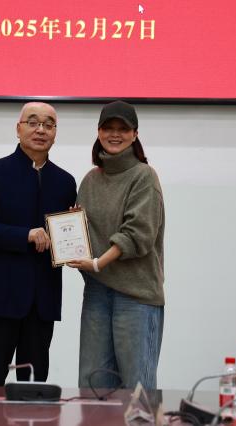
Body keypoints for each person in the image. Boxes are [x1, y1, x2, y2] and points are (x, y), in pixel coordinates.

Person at [0, 102, 76, 386]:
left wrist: (75, 241)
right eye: (33, 122)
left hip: (42, 303)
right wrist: (25, 235)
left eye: (48, 124)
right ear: (18, 128)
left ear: (55, 133)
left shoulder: (65, 182)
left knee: (34, 390)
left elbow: (66, 237)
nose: (41, 130)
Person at [67, 100, 164, 390]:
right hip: (97, 292)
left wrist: (98, 263)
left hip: (136, 296)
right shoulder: (90, 180)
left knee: (137, 390)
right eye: (108, 128)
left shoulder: (144, 176)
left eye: (123, 129)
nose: (115, 134)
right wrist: (71, 236)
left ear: (135, 135)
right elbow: (84, 233)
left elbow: (137, 234)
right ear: (98, 132)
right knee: (92, 385)